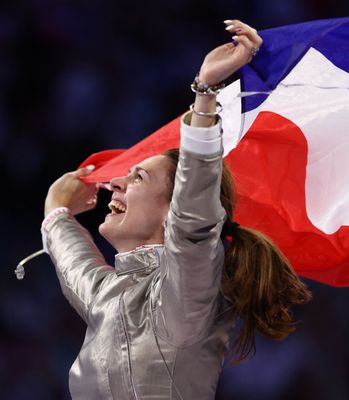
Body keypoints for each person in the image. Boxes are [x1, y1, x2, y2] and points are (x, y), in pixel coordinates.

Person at [42, 20, 311, 400]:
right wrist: (56, 213)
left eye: (136, 178)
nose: (115, 183)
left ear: (175, 211)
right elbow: (75, 266)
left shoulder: (184, 292)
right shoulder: (111, 296)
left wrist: (205, 93)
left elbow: (195, 218)